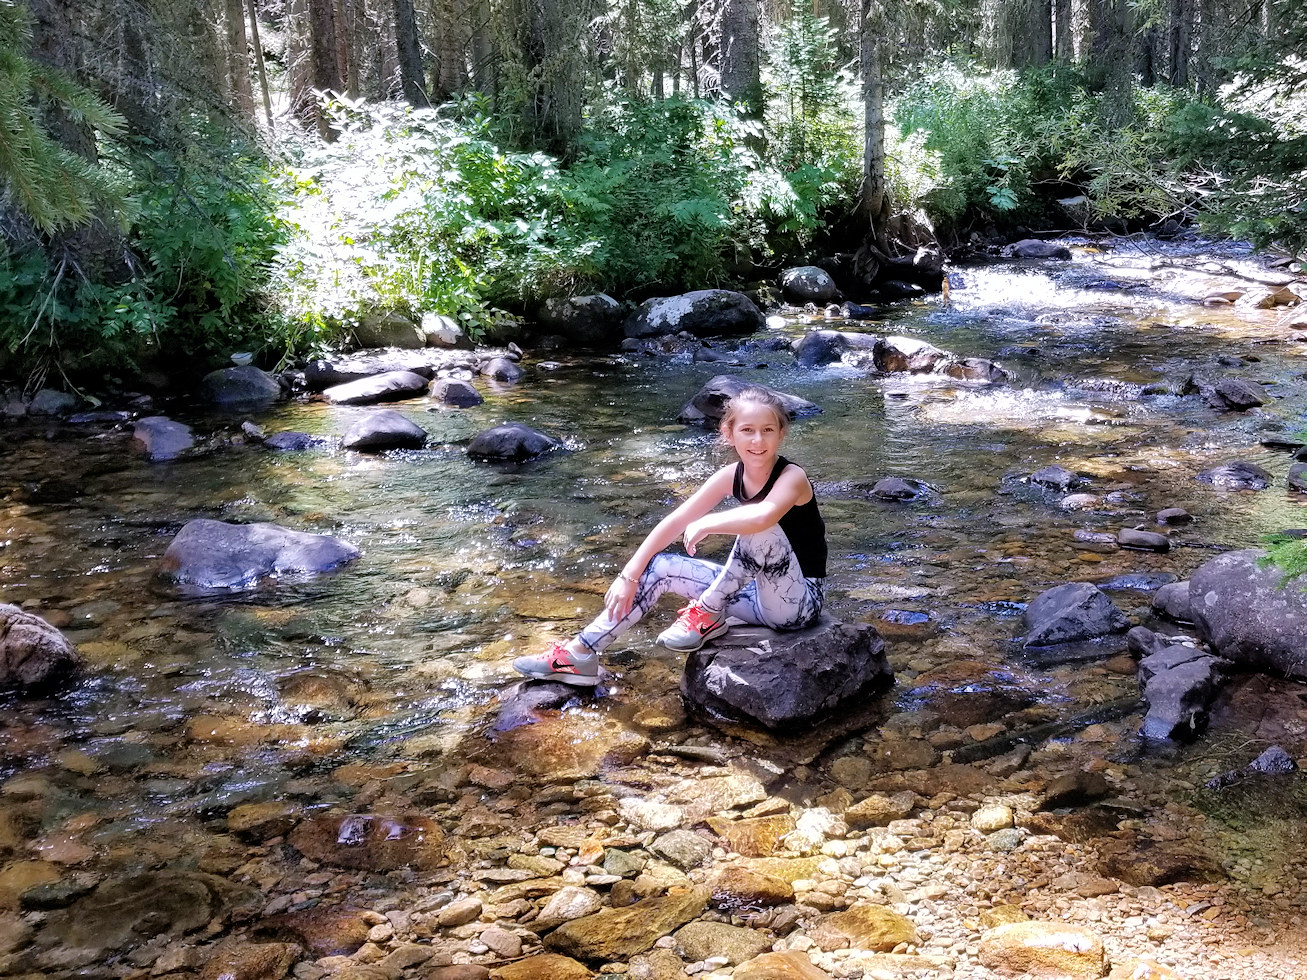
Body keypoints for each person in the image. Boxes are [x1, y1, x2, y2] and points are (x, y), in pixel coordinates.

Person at [512, 385, 827, 686]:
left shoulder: (792, 477)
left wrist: (710, 523)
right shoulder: (729, 477)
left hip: (798, 606)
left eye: (768, 430)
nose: (758, 440)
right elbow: (675, 521)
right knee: (661, 566)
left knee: (761, 530)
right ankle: (580, 653)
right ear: (728, 434)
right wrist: (629, 574)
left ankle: (706, 613)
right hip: (758, 599)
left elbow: (763, 515)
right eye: (747, 430)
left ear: (781, 433)